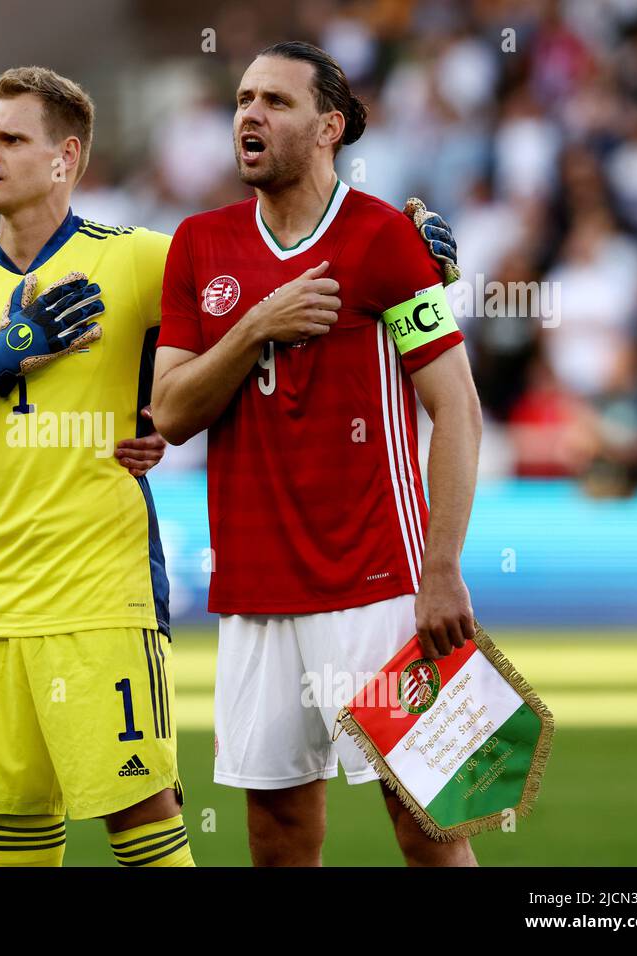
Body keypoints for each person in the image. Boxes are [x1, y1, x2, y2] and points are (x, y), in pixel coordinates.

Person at [151, 41, 482, 867]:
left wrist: (440, 567)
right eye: (242, 99)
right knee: (277, 837)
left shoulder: (386, 241)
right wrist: (256, 325)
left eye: (275, 101)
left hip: (380, 581)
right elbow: (172, 411)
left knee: (430, 825)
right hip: (255, 589)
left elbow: (457, 409)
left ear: (330, 126)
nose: (249, 115)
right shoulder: (198, 243)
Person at [0, 66, 188, 867]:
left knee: (138, 812)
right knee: (16, 825)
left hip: (105, 594)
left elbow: (255, 285)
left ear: (66, 158)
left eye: (11, 138)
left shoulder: (136, 260)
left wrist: (413, 258)